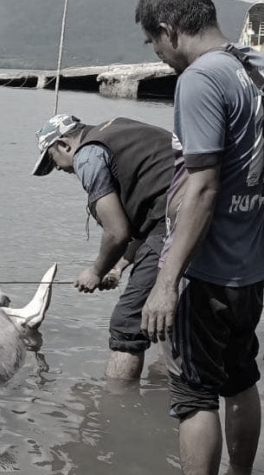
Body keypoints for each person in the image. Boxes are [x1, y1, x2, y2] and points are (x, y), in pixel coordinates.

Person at [133, 0, 264, 475]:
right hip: (252, 265)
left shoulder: (199, 79)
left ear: (170, 28)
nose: (157, 53)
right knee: (241, 378)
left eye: (154, 40)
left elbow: (202, 186)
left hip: (205, 271)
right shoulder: (262, 70)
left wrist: (165, 281)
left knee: (194, 395)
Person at [31, 113, 173, 381]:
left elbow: (117, 232)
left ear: (63, 145)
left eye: (52, 160)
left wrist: (96, 271)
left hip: (176, 220)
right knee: (169, 314)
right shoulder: (117, 130)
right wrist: (117, 268)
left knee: (126, 325)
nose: (59, 169)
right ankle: (163, 397)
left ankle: (111, 411)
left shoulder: (88, 156)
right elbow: (149, 218)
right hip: (200, 211)